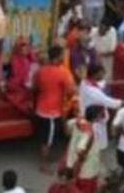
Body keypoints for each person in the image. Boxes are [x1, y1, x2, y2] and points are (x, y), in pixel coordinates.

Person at [33, 43, 76, 173]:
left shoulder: (41, 71)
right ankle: (44, 164)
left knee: (46, 137)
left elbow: (35, 87)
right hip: (52, 112)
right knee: (47, 139)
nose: (64, 57)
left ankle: (47, 159)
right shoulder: (62, 73)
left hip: (41, 108)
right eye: (62, 55)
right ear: (57, 57)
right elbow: (71, 90)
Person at [65, 107, 108, 193]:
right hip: (86, 172)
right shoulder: (88, 134)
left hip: (72, 163)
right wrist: (75, 175)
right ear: (95, 118)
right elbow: (81, 154)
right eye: (100, 115)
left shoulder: (78, 121)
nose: (101, 117)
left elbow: (67, 127)